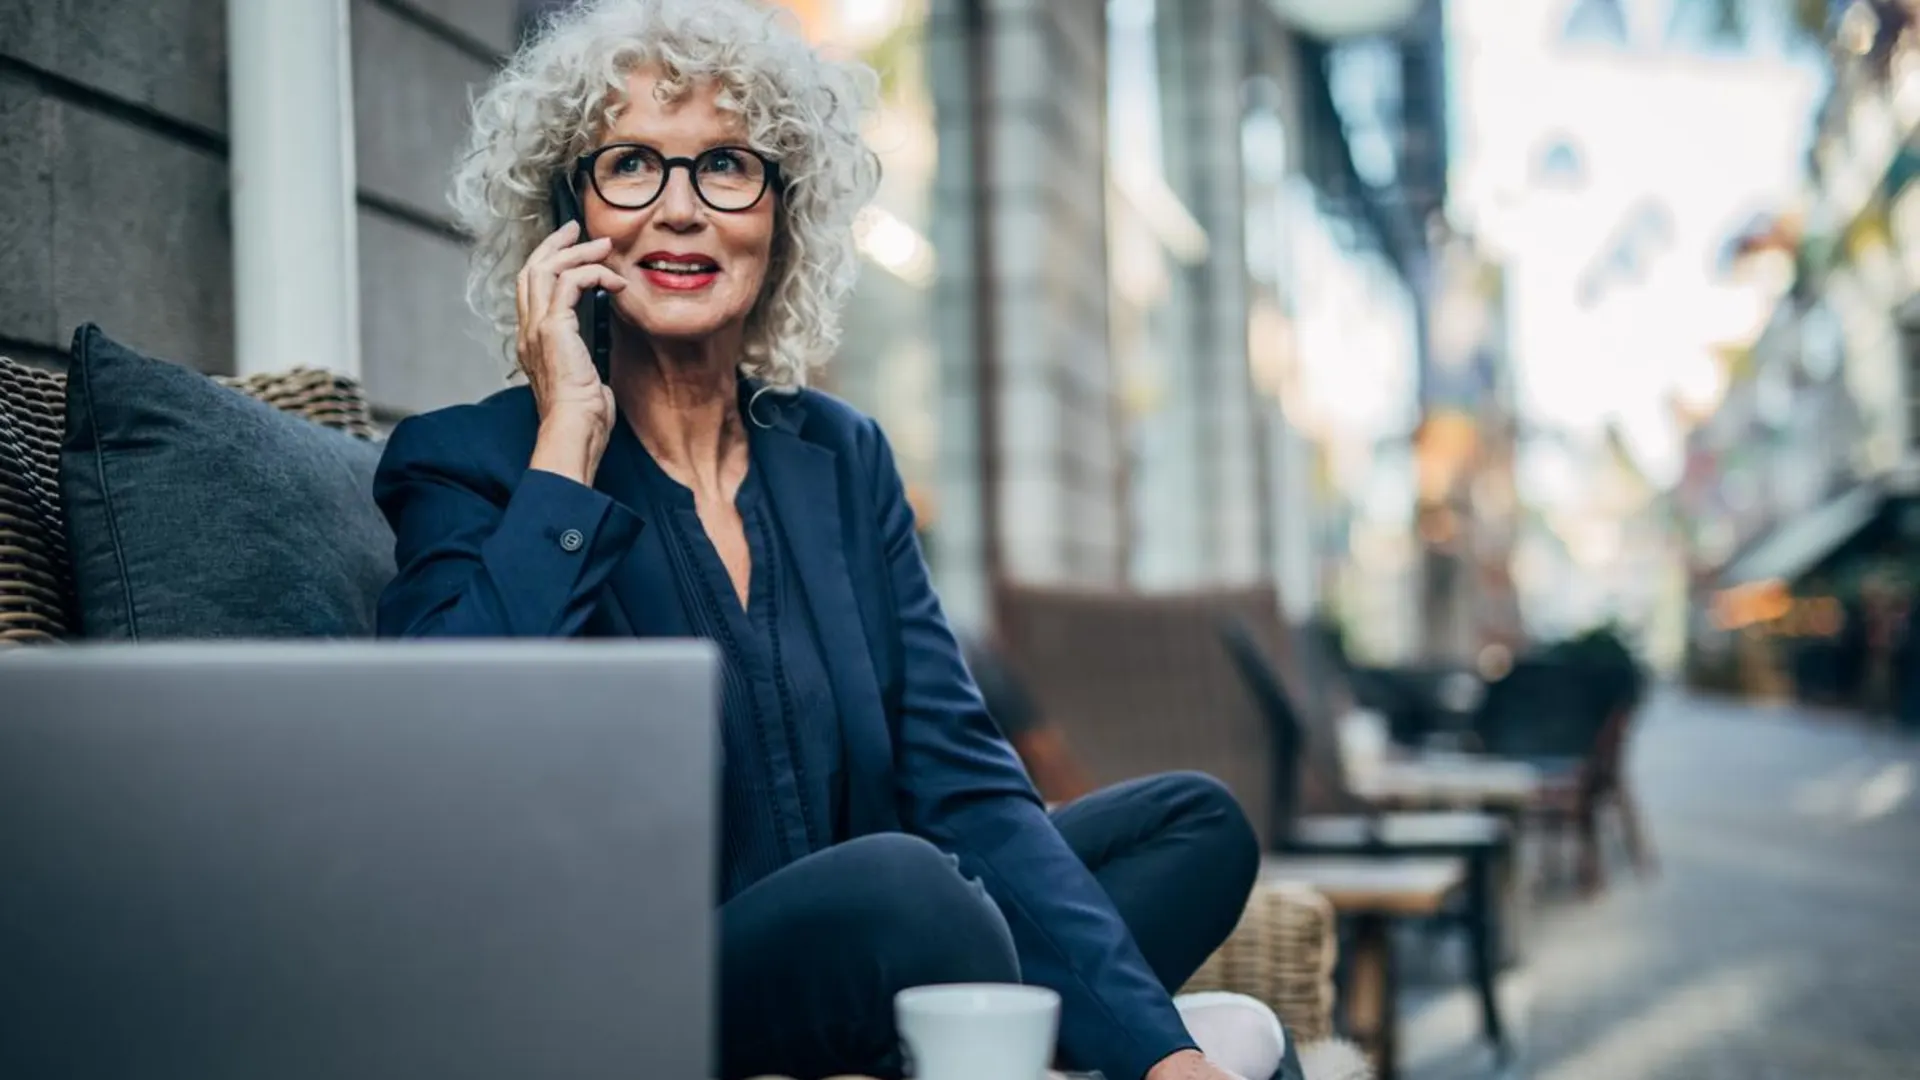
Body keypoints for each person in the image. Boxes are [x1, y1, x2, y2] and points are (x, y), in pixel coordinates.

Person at [372, 3, 1263, 1078]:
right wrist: (567, 440)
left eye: (727, 167)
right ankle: (984, 1028)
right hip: (648, 996)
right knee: (911, 891)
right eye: (631, 168)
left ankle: (966, 1038)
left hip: (890, 937)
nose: (682, 211)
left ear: (782, 214)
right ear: (569, 214)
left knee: (1192, 826)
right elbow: (435, 767)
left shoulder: (843, 458)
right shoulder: (469, 460)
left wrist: (1168, 1057)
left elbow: (966, 781)